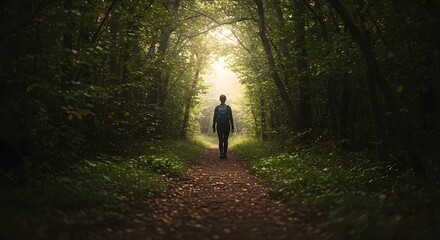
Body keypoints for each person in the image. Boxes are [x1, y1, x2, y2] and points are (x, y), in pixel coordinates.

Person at [213, 94, 234, 159]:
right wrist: (232, 126)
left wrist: (213, 126)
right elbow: (231, 118)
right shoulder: (228, 107)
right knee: (225, 140)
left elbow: (214, 117)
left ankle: (221, 154)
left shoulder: (217, 107)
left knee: (220, 139)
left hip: (219, 125)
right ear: (225, 100)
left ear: (220, 99)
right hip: (226, 125)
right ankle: (225, 154)